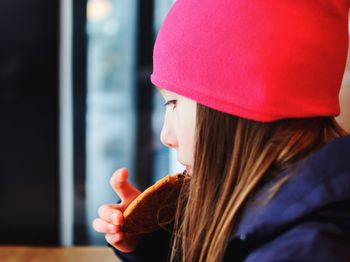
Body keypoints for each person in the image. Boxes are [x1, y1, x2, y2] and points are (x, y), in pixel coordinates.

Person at [92, 0, 350, 261]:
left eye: (173, 103)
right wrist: (156, 243)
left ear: (239, 108)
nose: (166, 136)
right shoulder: (275, 218)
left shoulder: (303, 250)